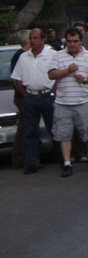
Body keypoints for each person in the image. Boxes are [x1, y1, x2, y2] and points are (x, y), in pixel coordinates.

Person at [47, 27, 88, 177]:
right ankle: (67, 163)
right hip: (63, 102)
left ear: (81, 41)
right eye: (69, 41)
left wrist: (85, 79)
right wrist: (67, 71)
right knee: (64, 134)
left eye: (75, 41)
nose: (72, 44)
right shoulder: (58, 56)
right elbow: (51, 74)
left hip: (83, 101)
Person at [10, 28, 56, 174]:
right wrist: (25, 95)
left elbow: (58, 75)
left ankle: (62, 159)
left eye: (36, 38)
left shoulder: (52, 55)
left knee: (54, 129)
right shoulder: (23, 57)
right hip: (30, 96)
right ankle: (32, 163)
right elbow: (16, 79)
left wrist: (53, 92)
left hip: (47, 96)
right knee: (30, 132)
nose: (33, 41)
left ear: (43, 40)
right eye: (31, 38)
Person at [9, 30, 31, 169]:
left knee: (28, 128)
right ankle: (19, 158)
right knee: (24, 129)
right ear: (27, 40)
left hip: (25, 97)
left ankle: (28, 156)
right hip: (22, 98)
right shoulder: (19, 56)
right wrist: (24, 95)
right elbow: (16, 79)